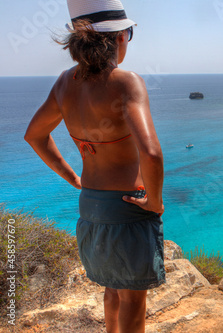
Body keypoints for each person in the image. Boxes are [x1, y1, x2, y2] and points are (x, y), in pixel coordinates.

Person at [24, 1, 165, 332]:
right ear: (117, 39)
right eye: (128, 33)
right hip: (129, 207)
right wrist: (155, 202)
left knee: (112, 288)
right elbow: (152, 153)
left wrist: (72, 176)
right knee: (133, 299)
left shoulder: (64, 82)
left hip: (90, 204)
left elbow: (35, 135)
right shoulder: (126, 82)